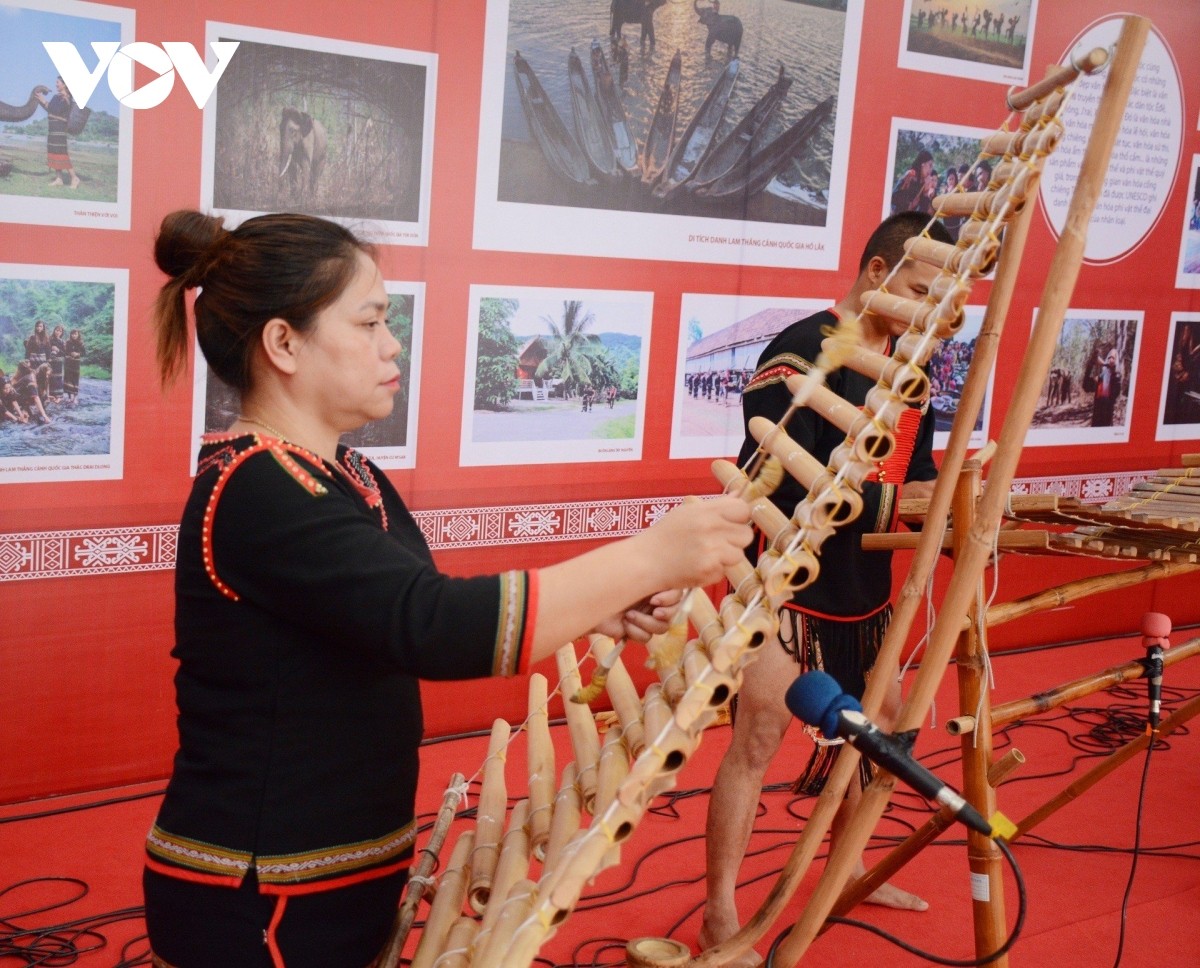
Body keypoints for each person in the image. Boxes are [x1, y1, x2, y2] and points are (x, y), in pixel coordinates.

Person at [141, 209, 753, 968]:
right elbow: (435, 625)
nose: (391, 344)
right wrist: (652, 557)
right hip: (257, 900)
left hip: (334, 883)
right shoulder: (255, 488)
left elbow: (398, 613)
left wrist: (613, 599)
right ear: (284, 343)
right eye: (368, 323)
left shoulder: (349, 477)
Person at [699, 212, 952, 958]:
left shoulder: (912, 369)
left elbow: (919, 479)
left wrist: (956, 507)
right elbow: (777, 493)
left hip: (865, 591)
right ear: (878, 274)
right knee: (758, 741)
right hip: (786, 586)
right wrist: (899, 505)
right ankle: (720, 912)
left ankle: (846, 870)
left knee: (882, 736)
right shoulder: (799, 352)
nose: (926, 311)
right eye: (918, 290)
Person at [35, 76, 81, 189]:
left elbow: (56, 109)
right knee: (53, 152)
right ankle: (59, 179)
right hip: (53, 128)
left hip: (59, 129)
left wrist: (44, 100)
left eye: (58, 82)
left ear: (64, 84)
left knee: (61, 153)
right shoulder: (57, 97)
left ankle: (74, 178)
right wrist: (42, 100)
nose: (56, 84)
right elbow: (51, 108)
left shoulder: (67, 98)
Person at [890, 149, 934, 214]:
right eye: (930, 165)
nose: (931, 170)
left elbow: (923, 211)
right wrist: (910, 204)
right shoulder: (910, 175)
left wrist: (925, 193)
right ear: (923, 163)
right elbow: (894, 198)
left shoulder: (923, 183)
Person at [1089, 341, 1121, 427]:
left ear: (1116, 361)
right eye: (1109, 357)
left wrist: (1113, 373)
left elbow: (1115, 393)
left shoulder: (1116, 379)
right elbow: (1086, 385)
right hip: (1096, 420)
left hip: (1106, 421)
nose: (1111, 359)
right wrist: (1091, 363)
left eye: (1113, 358)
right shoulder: (1100, 378)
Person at [64, 328, 85, 403]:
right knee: (68, 379)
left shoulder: (80, 343)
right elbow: (64, 352)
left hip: (76, 364)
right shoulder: (67, 342)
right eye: (72, 334)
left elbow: (84, 353)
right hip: (68, 363)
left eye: (75, 334)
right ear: (70, 335)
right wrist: (68, 355)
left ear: (78, 335)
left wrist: (78, 354)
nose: (74, 335)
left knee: (75, 379)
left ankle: (75, 397)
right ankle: (70, 397)